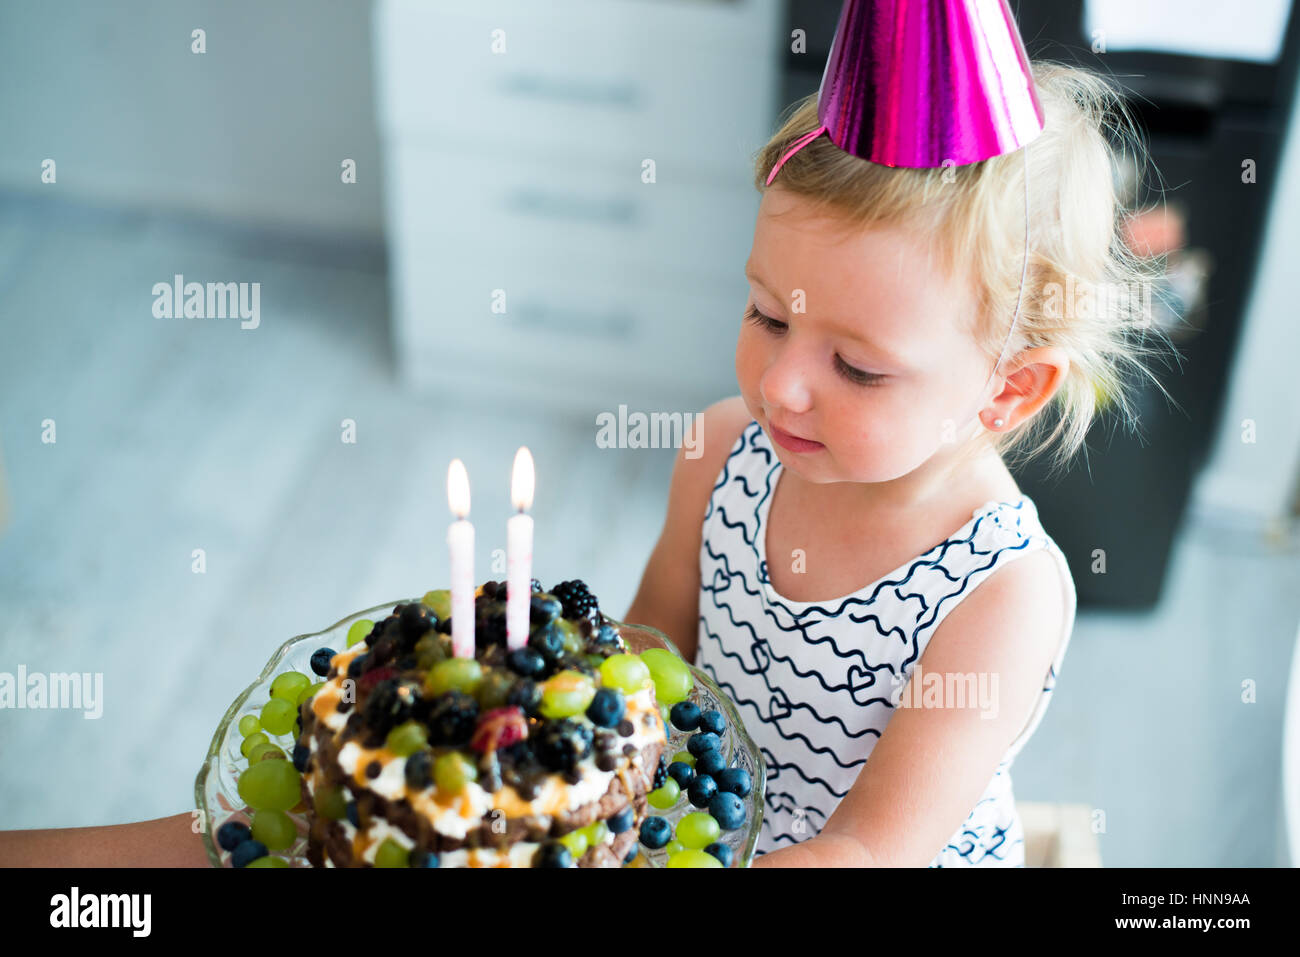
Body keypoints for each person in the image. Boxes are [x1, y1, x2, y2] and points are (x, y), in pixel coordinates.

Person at [622, 61, 1168, 867]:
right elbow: (646, 657)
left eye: (858, 367)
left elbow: (870, 849)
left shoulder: (1000, 594)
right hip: (712, 839)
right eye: (768, 316)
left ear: (1009, 389)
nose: (780, 385)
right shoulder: (718, 455)